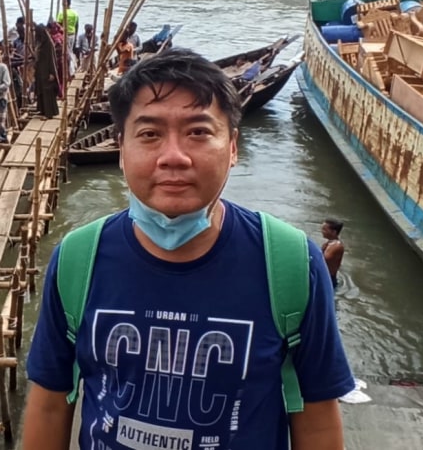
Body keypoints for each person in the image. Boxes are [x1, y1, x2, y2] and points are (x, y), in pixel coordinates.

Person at [23, 49, 354, 450]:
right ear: (121, 148)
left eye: (198, 132)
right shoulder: (78, 259)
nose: (174, 157)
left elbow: (317, 416)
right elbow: (50, 404)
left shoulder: (291, 263)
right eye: (149, 134)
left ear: (233, 147)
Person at [34, 23, 59, 119]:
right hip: (40, 71)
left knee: (47, 92)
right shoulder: (39, 42)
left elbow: (52, 59)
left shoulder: (48, 43)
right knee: (40, 91)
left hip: (47, 71)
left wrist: (52, 73)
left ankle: (49, 113)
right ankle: (42, 110)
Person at [322, 218, 345, 289]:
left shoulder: (336, 246)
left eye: (325, 230)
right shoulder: (329, 243)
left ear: (334, 232)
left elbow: (322, 260)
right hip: (325, 277)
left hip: (328, 279)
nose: (322, 231)